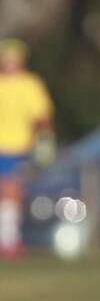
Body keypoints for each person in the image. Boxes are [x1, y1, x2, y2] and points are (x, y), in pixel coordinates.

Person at [0, 38, 54, 258]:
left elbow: (42, 115)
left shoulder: (30, 84)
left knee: (13, 191)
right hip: (5, 146)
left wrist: (43, 138)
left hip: (20, 146)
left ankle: (9, 239)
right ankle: (8, 240)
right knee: (9, 191)